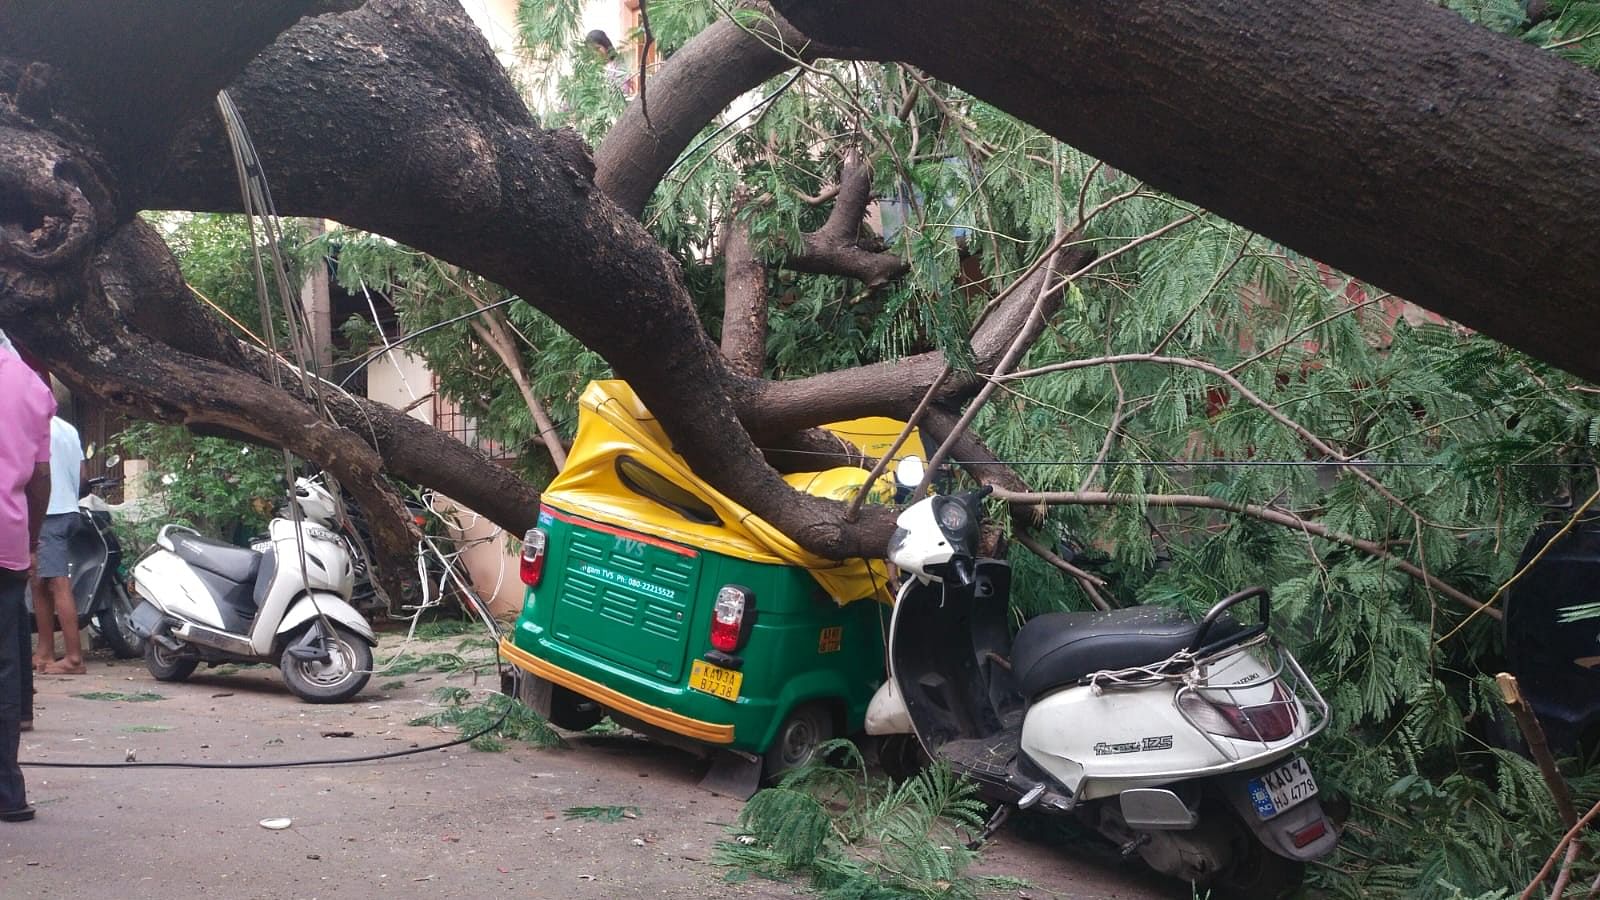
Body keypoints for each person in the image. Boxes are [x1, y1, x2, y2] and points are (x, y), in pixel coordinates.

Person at [0, 331, 54, 822]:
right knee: (3, 668)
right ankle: (7, 793)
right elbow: (40, 481)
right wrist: (31, 540)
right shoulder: (32, 386)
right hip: (6, 541)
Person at [31, 414, 86, 675]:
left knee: (57, 583)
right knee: (39, 582)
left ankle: (74, 659)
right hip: (70, 511)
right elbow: (82, 476)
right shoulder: (68, 428)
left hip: (49, 513)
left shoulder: (31, 426)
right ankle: (44, 651)